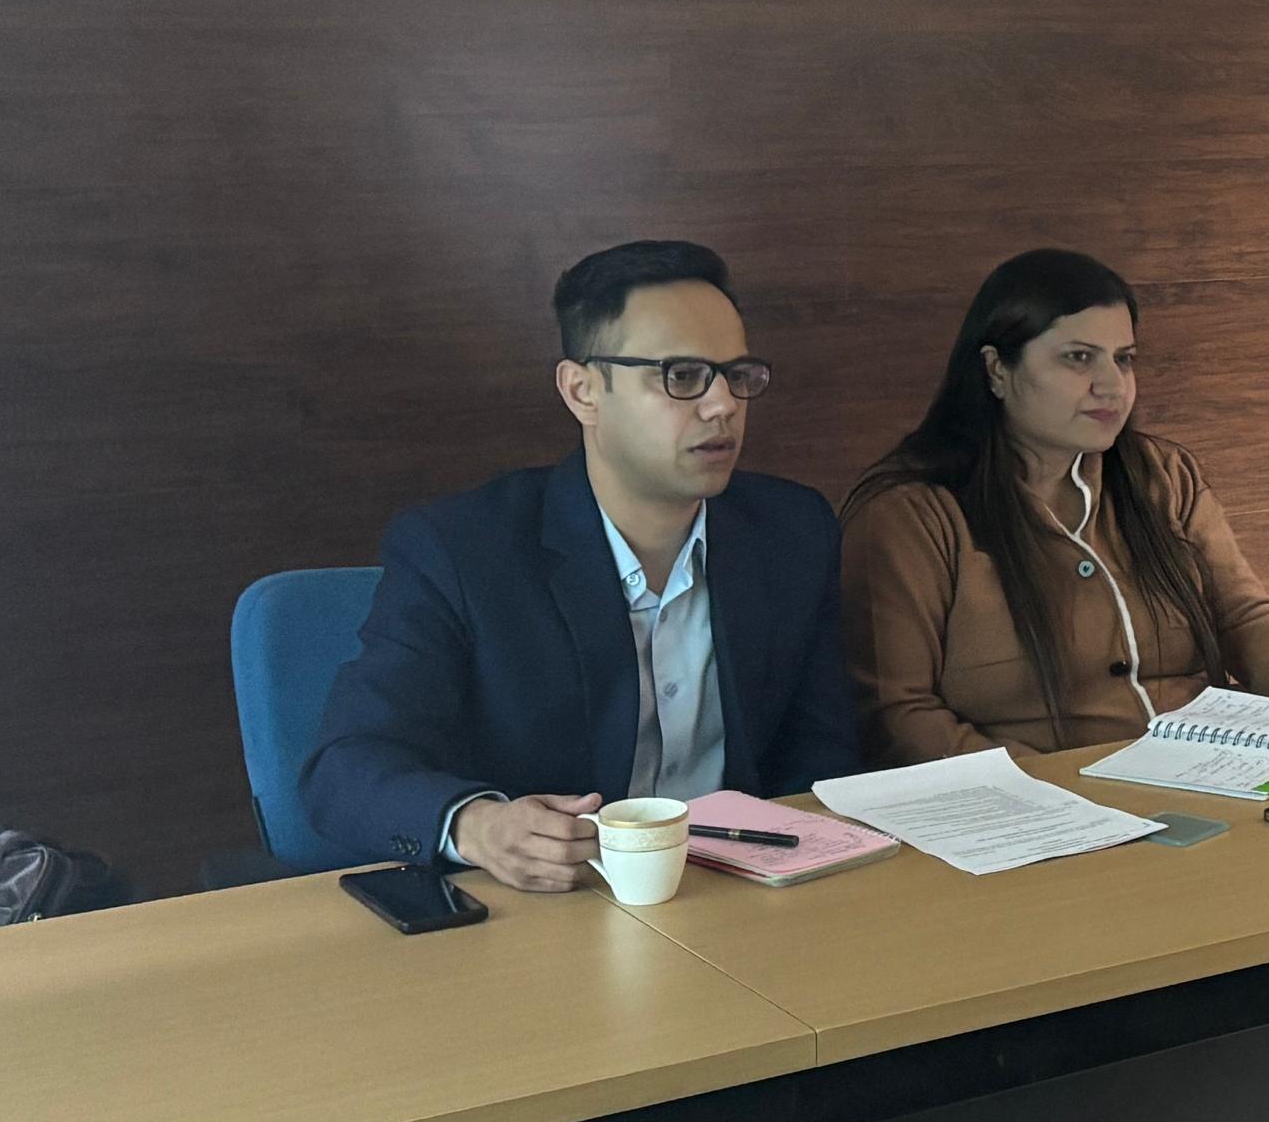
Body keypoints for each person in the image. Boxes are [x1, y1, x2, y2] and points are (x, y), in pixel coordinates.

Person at [307, 241, 860, 892]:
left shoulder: (791, 531)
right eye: (682, 376)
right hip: (549, 902)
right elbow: (345, 767)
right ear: (582, 391)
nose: (723, 405)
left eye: (736, 374)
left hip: (736, 892)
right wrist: (478, 826)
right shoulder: (462, 550)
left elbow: (820, 753)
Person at [841, 250, 1269, 763]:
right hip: (1033, 808)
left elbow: (1242, 621)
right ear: (996, 369)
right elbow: (900, 717)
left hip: (1207, 774)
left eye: (1123, 358)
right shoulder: (911, 513)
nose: (1112, 385)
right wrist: (1051, 790)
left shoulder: (1161, 476)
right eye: (1079, 358)